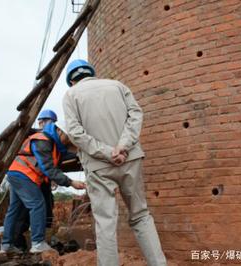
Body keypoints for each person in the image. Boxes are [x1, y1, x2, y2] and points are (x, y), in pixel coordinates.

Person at [63, 59, 167, 266]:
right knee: (140, 215)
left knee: (105, 223)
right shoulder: (117, 86)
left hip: (99, 166)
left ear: (72, 80)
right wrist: (123, 146)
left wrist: (107, 152)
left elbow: (75, 133)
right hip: (130, 159)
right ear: (91, 73)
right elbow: (136, 115)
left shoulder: (71, 95)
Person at [1, 122, 85, 254]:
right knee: (37, 204)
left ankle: (6, 245)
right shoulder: (42, 140)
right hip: (24, 174)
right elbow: (48, 168)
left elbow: (66, 155)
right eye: (67, 137)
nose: (67, 141)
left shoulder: (53, 145)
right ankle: (37, 243)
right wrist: (70, 182)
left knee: (14, 210)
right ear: (59, 131)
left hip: (16, 173)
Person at [10, 109, 59, 252]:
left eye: (52, 123)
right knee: (26, 209)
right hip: (27, 177)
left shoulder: (50, 138)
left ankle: (39, 241)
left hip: (39, 179)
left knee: (45, 206)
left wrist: (52, 178)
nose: (51, 125)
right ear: (41, 122)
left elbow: (51, 161)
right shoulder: (35, 135)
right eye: (48, 122)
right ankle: (26, 243)